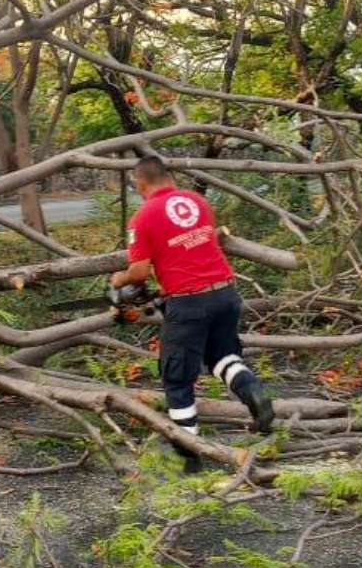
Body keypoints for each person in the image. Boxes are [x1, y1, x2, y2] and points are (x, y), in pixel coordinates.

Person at [110, 155, 275, 472]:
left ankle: (188, 456)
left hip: (189, 302)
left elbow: (139, 272)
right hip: (225, 293)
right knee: (221, 357)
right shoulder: (197, 201)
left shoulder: (142, 217)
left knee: (176, 378)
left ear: (140, 184)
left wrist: (119, 279)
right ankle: (253, 392)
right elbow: (190, 248)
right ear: (167, 177)